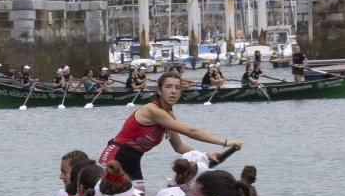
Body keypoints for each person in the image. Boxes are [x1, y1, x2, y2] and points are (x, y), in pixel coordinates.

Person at [98, 72, 240, 185]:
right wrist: (225, 142)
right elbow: (191, 131)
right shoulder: (152, 110)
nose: (173, 91)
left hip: (134, 160)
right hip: (115, 156)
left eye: (177, 88)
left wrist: (204, 154)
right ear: (159, 91)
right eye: (168, 87)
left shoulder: (168, 115)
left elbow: (179, 146)